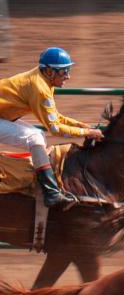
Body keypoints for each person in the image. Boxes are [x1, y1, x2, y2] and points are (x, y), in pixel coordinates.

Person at [0, 47, 104, 208]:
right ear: (49, 71)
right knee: (34, 138)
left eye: (68, 70)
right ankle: (51, 193)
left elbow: (55, 117)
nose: (68, 76)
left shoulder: (43, 79)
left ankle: (43, 183)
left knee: (38, 137)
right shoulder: (39, 88)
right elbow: (55, 129)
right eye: (64, 72)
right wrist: (87, 132)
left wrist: (79, 125)